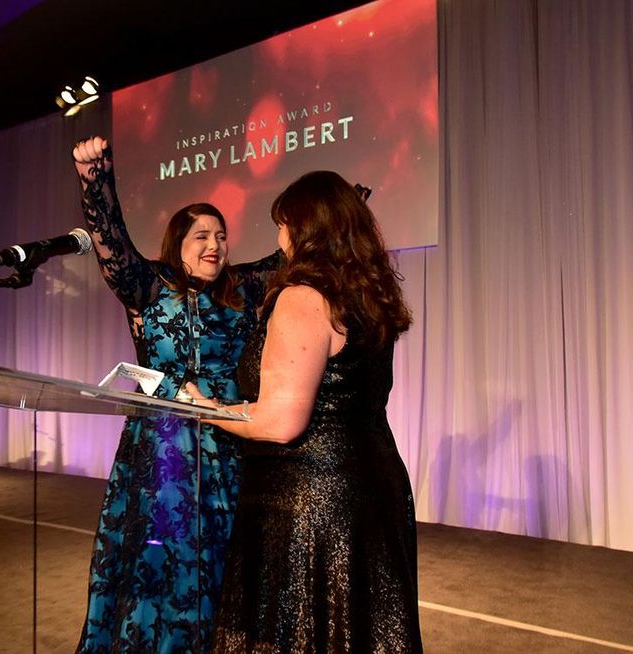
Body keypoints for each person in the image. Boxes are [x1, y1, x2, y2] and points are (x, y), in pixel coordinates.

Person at [188, 170, 422, 652]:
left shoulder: (303, 298)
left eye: (282, 225)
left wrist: (207, 410)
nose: (279, 238)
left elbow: (281, 422)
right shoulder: (366, 298)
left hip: (310, 505)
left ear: (303, 228)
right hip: (372, 489)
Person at [71, 136, 281, 653]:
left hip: (229, 442)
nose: (215, 244)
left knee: (226, 554)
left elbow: (288, 256)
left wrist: (339, 213)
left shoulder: (242, 288)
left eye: (222, 235)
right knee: (162, 556)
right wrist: (95, 179)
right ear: (178, 243)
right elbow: (112, 241)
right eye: (202, 235)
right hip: (164, 447)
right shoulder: (149, 287)